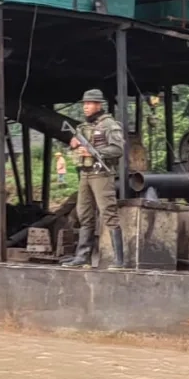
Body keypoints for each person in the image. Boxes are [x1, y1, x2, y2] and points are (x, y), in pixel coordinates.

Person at [61, 89, 125, 269]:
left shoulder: (110, 125)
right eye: (84, 104)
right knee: (84, 214)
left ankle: (119, 260)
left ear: (99, 105)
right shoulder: (83, 127)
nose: (85, 107)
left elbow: (118, 149)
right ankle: (82, 256)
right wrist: (74, 145)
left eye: (89, 104)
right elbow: (74, 147)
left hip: (101, 174)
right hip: (85, 173)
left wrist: (95, 152)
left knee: (108, 213)